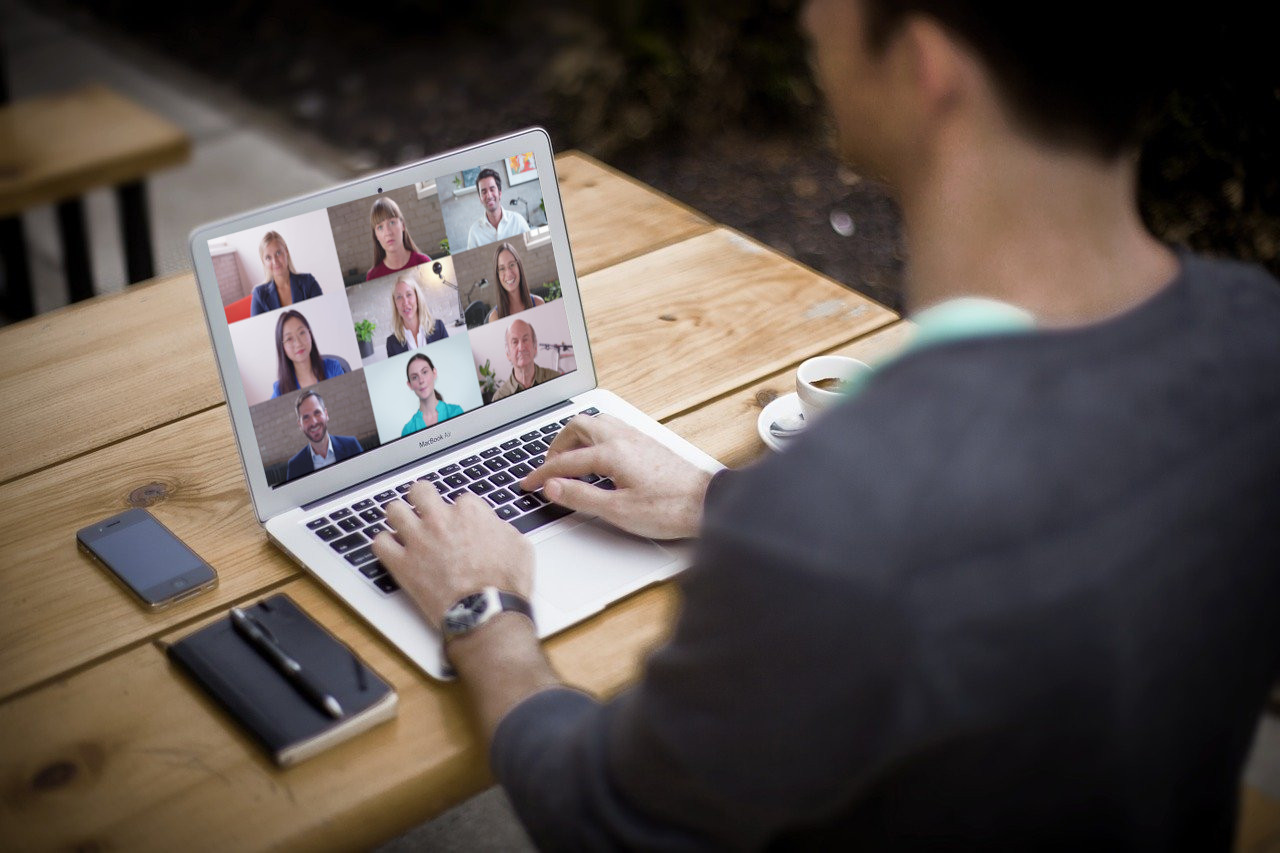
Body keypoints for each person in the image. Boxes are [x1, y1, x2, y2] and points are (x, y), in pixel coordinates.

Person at [372, 1, 1280, 848]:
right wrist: (717, 497)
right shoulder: (1255, 338)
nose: (807, 13)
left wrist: (484, 609)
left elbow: (600, 816)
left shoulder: (843, 516)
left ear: (928, 66)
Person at [285, 390, 363, 480]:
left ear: (326, 414)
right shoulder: (295, 466)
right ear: (300, 424)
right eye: (306, 417)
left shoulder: (351, 446)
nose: (313, 422)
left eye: (317, 413)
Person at [271, 309, 347, 398]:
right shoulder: (280, 390)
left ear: (309, 334)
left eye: (302, 333)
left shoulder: (333, 368)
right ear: (282, 347)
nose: (298, 343)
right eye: (289, 339)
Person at [248, 231, 323, 315]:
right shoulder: (259, 294)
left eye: (278, 253)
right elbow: (258, 327)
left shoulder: (308, 282)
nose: (275, 261)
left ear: (286, 251)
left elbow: (322, 314)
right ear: (263, 262)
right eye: (268, 258)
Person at [490, 318, 561, 401]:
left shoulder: (556, 379)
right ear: (507, 353)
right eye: (515, 342)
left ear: (535, 347)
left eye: (525, 339)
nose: (521, 347)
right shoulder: (499, 398)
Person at [366, 196, 431, 281]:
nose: (388, 232)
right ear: (376, 236)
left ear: (403, 225)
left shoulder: (424, 262)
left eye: (392, 222)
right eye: (380, 227)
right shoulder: (372, 277)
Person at [400, 352, 464, 436]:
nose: (421, 380)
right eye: (414, 377)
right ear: (410, 385)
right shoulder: (408, 430)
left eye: (424, 372)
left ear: (434, 373)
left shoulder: (455, 412)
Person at [465, 168, 530, 250]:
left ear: (499, 193)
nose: (489, 195)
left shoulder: (518, 220)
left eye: (492, 189)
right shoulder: (474, 232)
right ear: (480, 198)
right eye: (484, 192)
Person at [386, 274, 447, 357]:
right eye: (399, 297)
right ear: (395, 304)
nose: (405, 302)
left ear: (417, 297)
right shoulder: (391, 343)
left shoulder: (439, 328)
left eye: (409, 294)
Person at [485, 242, 544, 324]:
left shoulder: (539, 304)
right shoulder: (495, 318)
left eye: (512, 265)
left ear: (519, 267)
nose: (508, 273)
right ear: (497, 274)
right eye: (502, 268)